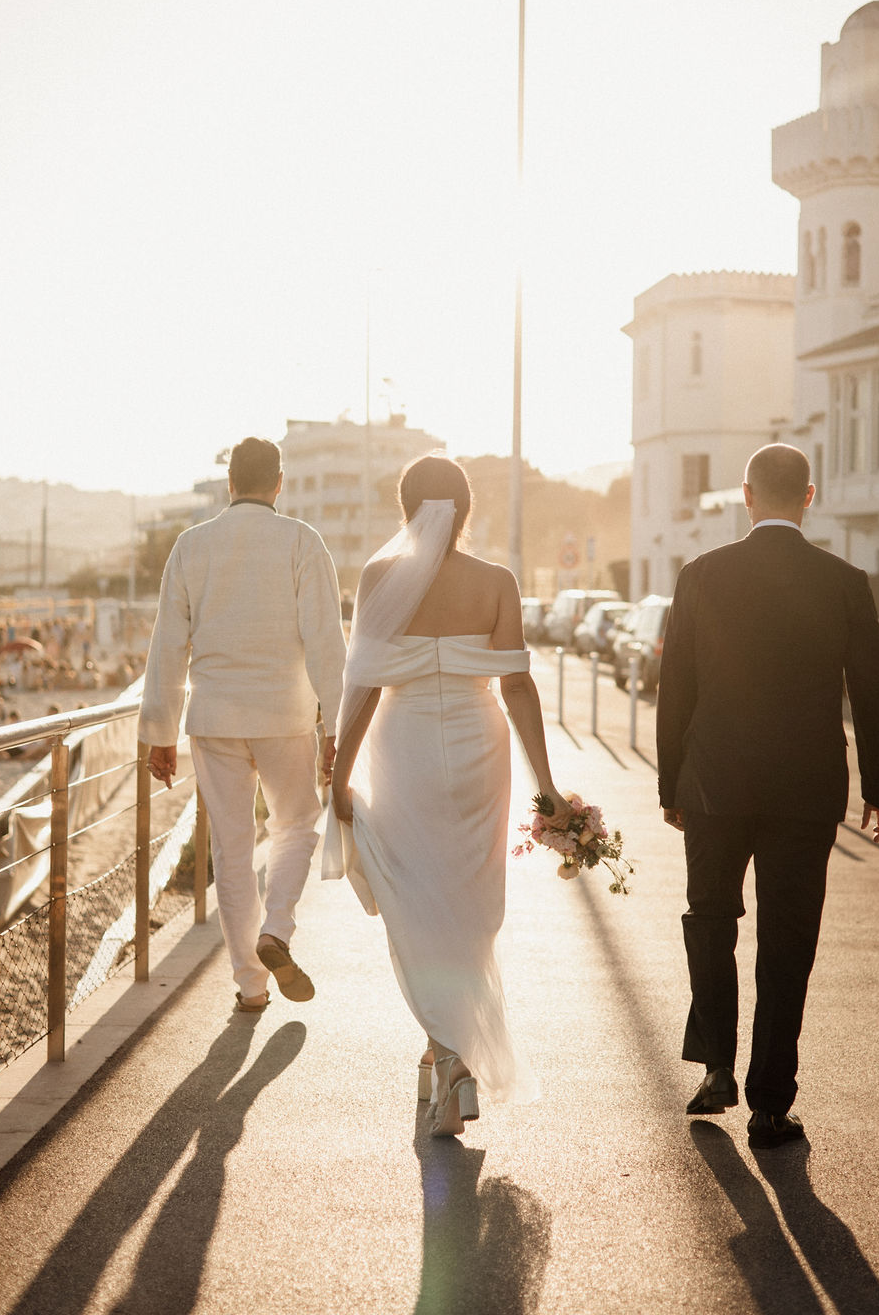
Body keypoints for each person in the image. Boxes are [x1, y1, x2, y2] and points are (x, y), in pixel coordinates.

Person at [656, 444, 879, 1149]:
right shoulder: (844, 581)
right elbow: (872, 692)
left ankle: (716, 1070)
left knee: (709, 918)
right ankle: (769, 1102)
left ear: (747, 495)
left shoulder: (700, 575)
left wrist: (672, 783)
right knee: (788, 939)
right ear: (811, 497)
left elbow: (678, 688)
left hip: (713, 782)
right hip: (805, 787)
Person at [329, 454, 570, 1138]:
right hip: (477, 748)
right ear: (465, 509)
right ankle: (445, 1051)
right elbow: (518, 685)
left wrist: (341, 775)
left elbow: (368, 683)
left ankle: (450, 1057)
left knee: (413, 899)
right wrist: (546, 784)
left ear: (405, 510)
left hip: (404, 749)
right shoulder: (497, 582)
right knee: (469, 899)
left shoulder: (380, 576)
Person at [139, 436, 347, 1012]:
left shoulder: (191, 546)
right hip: (284, 713)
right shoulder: (303, 542)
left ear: (229, 482)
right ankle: (277, 926)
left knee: (232, 850)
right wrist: (336, 723)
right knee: (296, 823)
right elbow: (326, 643)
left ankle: (250, 986)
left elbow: (168, 645)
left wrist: (160, 733)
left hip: (214, 717)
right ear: (279, 483)